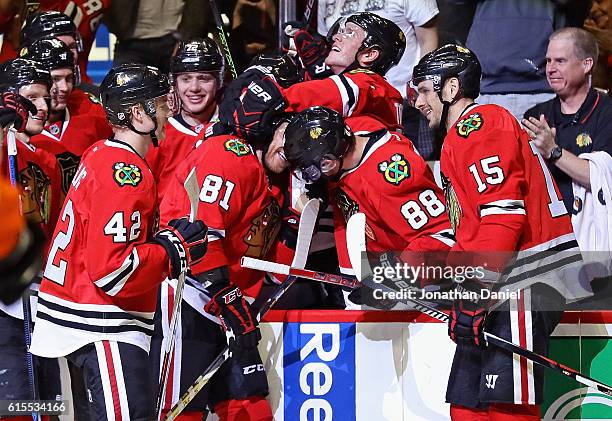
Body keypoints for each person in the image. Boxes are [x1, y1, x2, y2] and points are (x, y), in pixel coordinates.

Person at [412, 44, 591, 420]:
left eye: (425, 90)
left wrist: (476, 291)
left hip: (528, 279)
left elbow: (503, 216)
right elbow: (471, 229)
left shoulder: (482, 123)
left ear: (451, 88)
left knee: (507, 406)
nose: (418, 101)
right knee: (466, 406)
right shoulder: (460, 138)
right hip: (500, 279)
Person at [29, 64, 208, 420]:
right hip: (102, 325)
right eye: (160, 104)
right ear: (138, 113)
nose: (168, 111)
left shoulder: (100, 153)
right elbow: (114, 272)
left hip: (81, 320)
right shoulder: (126, 173)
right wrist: (171, 250)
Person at [156, 92, 281, 421]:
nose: (290, 140)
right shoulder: (229, 153)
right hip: (191, 299)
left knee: (250, 406)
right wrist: (228, 296)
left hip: (224, 303)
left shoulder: (259, 163)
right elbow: (201, 236)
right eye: (283, 128)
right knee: (184, 408)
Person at [282, 106, 454, 308]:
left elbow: (444, 235)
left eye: (311, 170)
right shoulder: (356, 130)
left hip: (421, 284)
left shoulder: (390, 176)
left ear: (328, 161)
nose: (311, 178)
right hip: (375, 272)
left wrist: (397, 277)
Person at [0, 58, 65, 418]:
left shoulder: (46, 163)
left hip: (39, 298)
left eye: (45, 97)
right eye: (30, 98)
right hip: (4, 305)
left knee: (48, 404)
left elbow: (54, 231)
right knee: (13, 406)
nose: (41, 106)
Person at [523, 27, 612, 216]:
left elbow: (599, 178)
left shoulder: (606, 111)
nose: (551, 69)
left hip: (595, 227)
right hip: (552, 229)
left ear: (587, 65)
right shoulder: (536, 116)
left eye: (560, 61)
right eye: (548, 61)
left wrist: (553, 151)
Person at [21, 38, 112, 197]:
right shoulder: (13, 132)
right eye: (55, 79)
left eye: (68, 78)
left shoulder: (95, 117)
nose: (64, 88)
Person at [146, 37, 225, 202]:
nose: (194, 88)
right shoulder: (157, 135)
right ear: (174, 83)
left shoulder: (233, 128)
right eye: (186, 79)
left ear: (219, 82)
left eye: (204, 78)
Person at [317, 0, 439, 96]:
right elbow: (330, 43)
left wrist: (421, 89)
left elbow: (428, 41)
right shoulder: (324, 1)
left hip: (404, 95)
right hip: (347, 95)